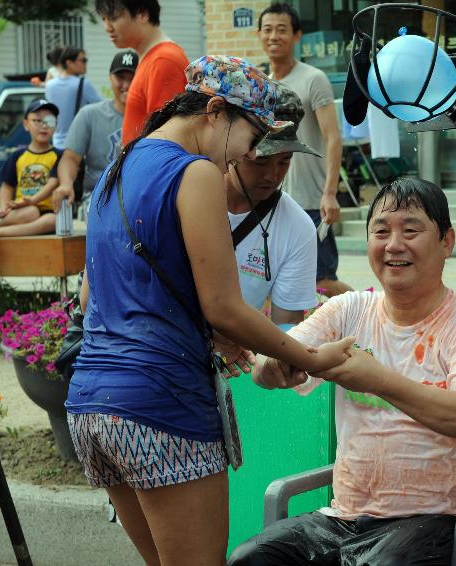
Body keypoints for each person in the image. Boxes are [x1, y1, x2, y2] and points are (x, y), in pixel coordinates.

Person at [64, 55, 353, 565]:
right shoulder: (193, 171)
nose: (244, 156)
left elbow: (93, 297)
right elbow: (222, 306)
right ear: (216, 111)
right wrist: (311, 358)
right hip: (160, 404)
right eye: (251, 138)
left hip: (92, 405)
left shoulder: (119, 163)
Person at [228, 178, 456, 566]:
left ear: (447, 241)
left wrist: (375, 378)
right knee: (248, 560)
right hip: (345, 518)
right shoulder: (348, 310)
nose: (394, 244)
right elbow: (274, 355)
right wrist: (272, 367)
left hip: (442, 519)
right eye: (381, 231)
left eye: (411, 230)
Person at [258, 2, 353, 297]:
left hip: (312, 201)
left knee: (321, 280)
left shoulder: (313, 79)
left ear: (297, 36)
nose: (274, 36)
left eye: (282, 30)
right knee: (284, 279)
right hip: (274, 199)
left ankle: (370, 311)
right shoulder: (262, 84)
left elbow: (333, 138)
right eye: (268, 29)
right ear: (259, 34)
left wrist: (329, 192)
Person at [225, 84, 321, 326]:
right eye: (261, 161)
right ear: (235, 148)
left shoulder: (298, 228)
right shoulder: (187, 196)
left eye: (284, 162)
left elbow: (286, 327)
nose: (272, 175)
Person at [53, 50, 139, 217]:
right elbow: (70, 158)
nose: (126, 85)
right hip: (97, 197)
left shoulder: (154, 118)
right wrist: (65, 183)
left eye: (133, 78)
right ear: (110, 78)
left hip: (139, 197)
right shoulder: (90, 115)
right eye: (121, 77)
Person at [95, 0, 190, 145]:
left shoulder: (163, 60)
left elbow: (164, 140)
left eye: (113, 18)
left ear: (143, 14)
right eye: (104, 19)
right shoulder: (151, 57)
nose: (107, 27)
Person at [0, 100, 62, 251]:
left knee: (54, 221)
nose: (44, 125)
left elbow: (53, 183)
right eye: (37, 120)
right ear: (25, 124)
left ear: (56, 126)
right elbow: (7, 186)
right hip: (22, 211)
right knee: (31, 211)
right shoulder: (18, 155)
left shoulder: (59, 155)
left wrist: (32, 200)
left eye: (49, 121)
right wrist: (3, 208)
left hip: (48, 210)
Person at [44, 46, 102, 149]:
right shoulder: (82, 84)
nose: (85, 63)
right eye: (83, 60)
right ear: (69, 63)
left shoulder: (49, 85)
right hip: (77, 145)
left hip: (56, 144)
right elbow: (102, 108)